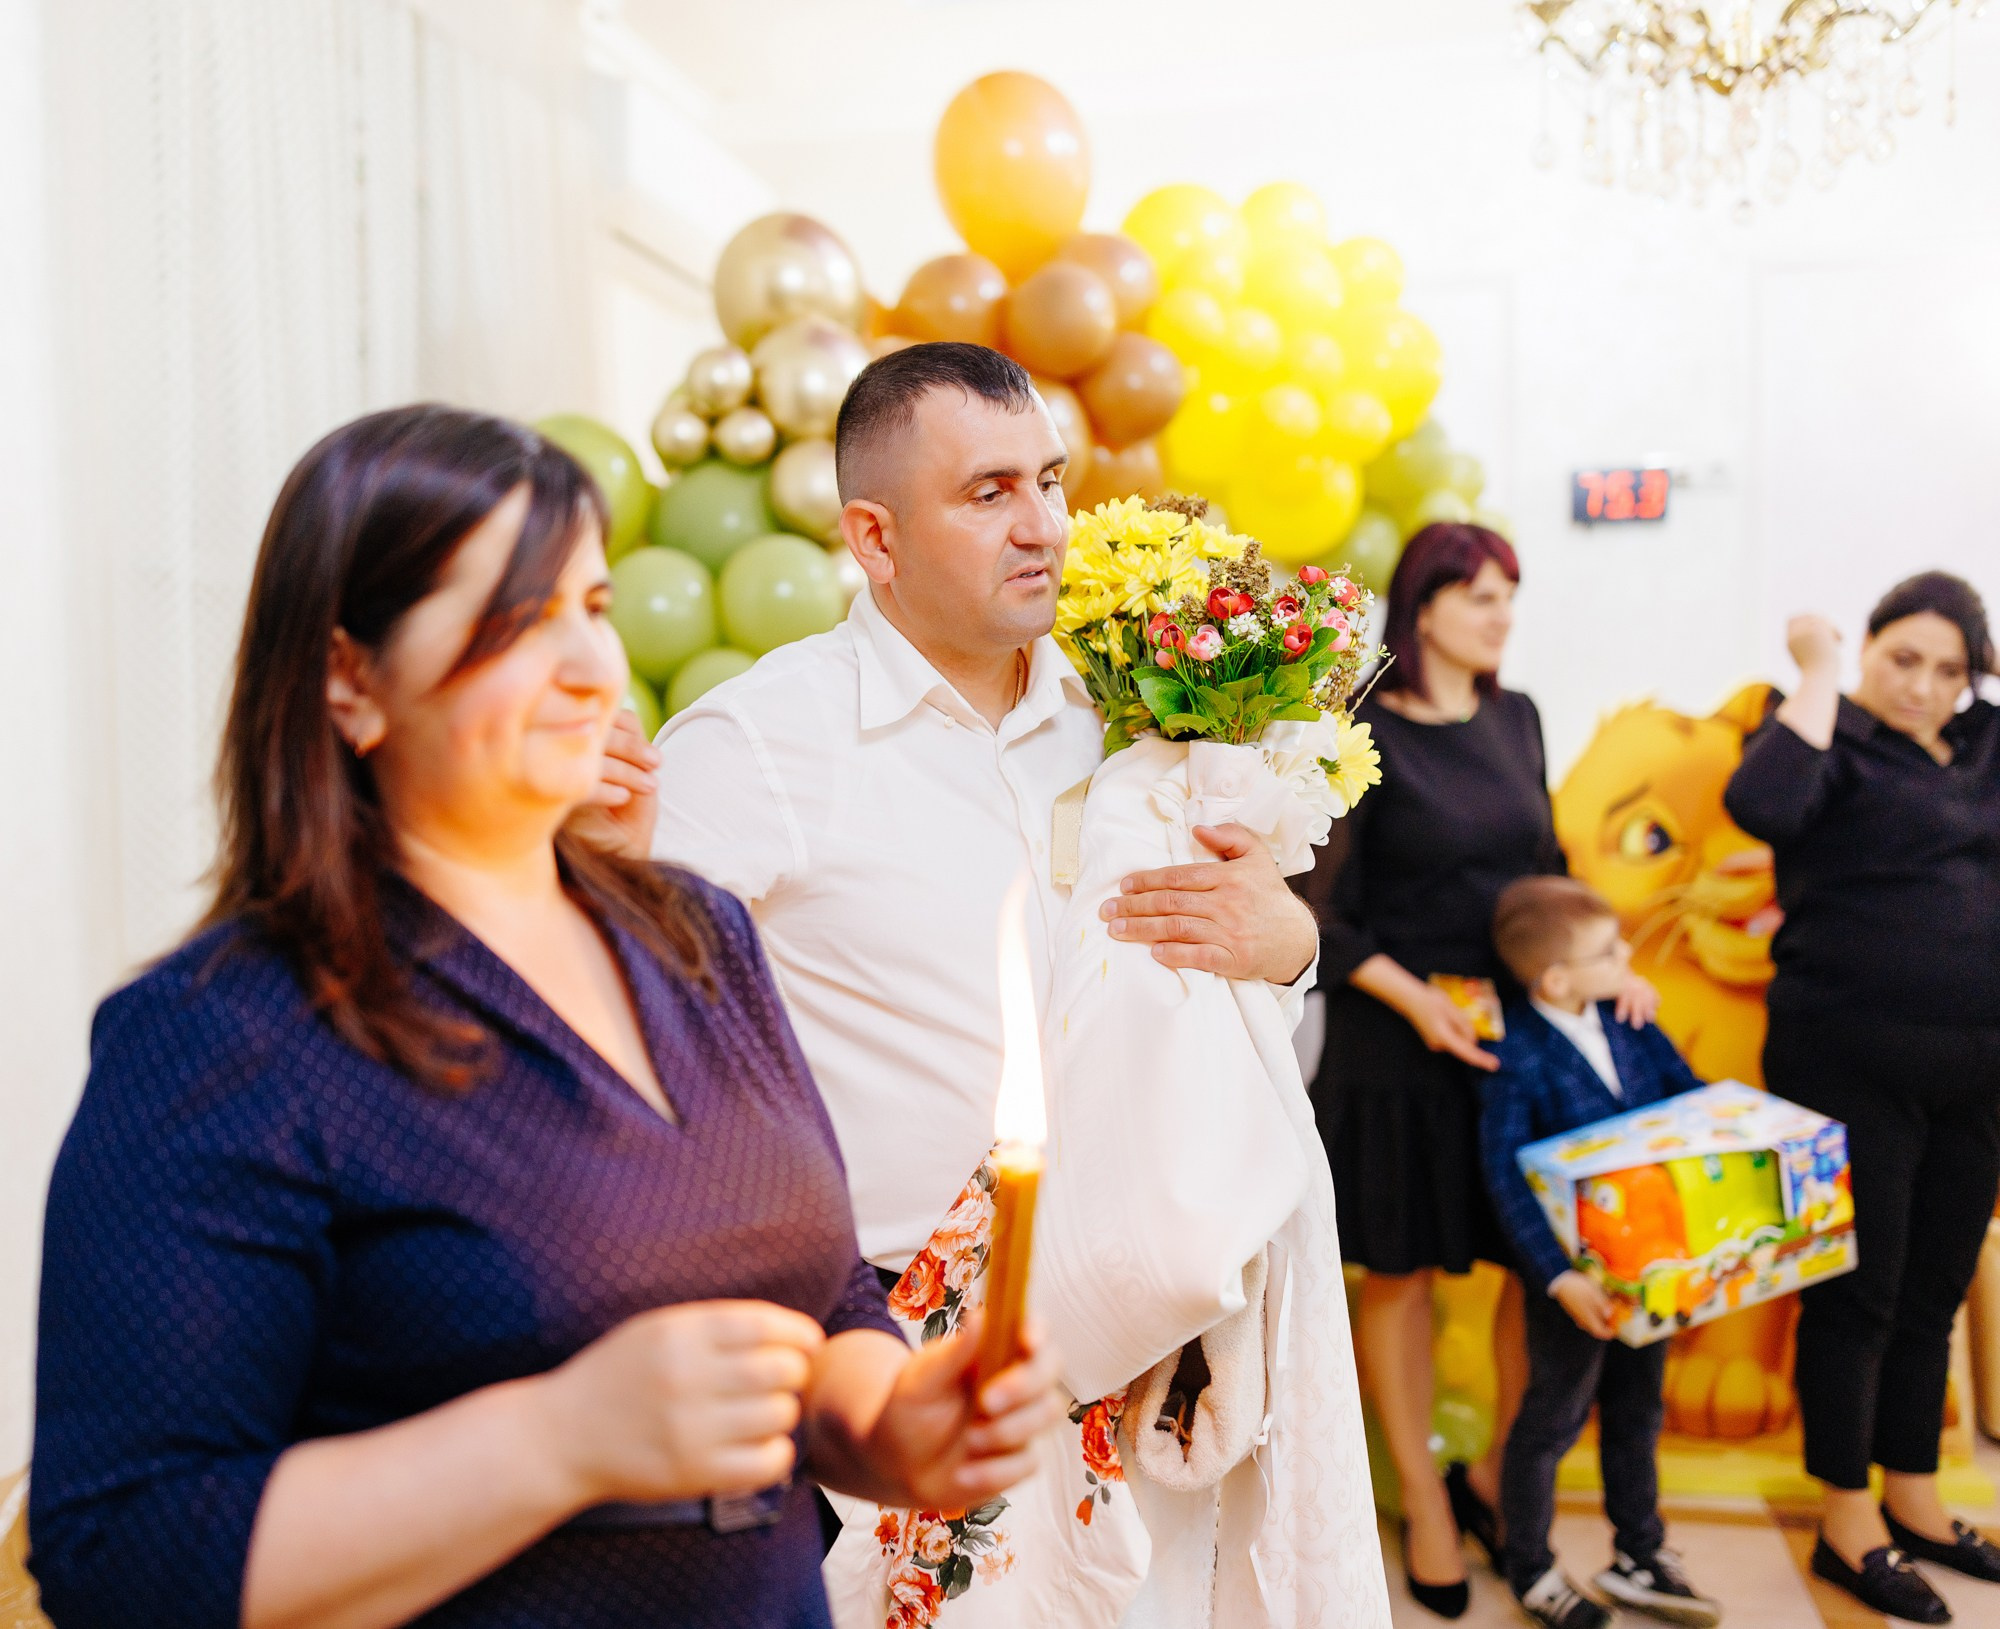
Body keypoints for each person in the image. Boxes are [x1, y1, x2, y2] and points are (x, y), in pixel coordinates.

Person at [28, 405, 1061, 1629]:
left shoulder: (695, 938)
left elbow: (822, 1296)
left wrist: (886, 1422)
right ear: (351, 679)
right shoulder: (224, 1036)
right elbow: (121, 1555)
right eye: (513, 623)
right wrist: (559, 1440)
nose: (587, 670)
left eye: (593, 607)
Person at [592, 342, 1390, 1628]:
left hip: (1153, 1362)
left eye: (1051, 482)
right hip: (918, 1362)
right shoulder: (764, 745)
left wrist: (1283, 942)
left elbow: (1214, 994)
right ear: (873, 534)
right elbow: (615, 1011)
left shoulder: (1132, 704)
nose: (1043, 528)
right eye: (987, 494)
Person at [1307, 523, 1656, 1616]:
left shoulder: (1518, 718)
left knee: (1527, 1270)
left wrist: (1605, 962)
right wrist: (1418, 1003)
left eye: (1509, 591)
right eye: (1477, 593)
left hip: (1510, 1044)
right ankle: (1420, 1495)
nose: (1501, 611)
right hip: (1394, 1042)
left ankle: (1513, 1485)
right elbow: (1321, 913)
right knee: (1399, 1275)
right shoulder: (1356, 728)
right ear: (1418, 611)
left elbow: (1544, 875)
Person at [1725, 571, 2000, 1625]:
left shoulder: (1984, 745)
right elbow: (1760, 804)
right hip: (1845, 1058)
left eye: (1947, 669)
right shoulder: (1813, 729)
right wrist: (1817, 666)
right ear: (1867, 646)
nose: (1923, 686)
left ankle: (1915, 1499)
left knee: (1932, 1288)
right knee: (1857, 1296)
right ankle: (1847, 1522)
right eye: (1901, 659)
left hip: (1974, 1068)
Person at [1479, 876, 1722, 1629]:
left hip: (1652, 1265)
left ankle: (1640, 1550)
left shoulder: (1629, 1018)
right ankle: (1532, 1565)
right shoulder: (1517, 1053)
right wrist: (1555, 1278)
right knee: (1550, 1419)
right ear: (1556, 977)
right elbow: (1506, 1175)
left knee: (1637, 1407)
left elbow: (1691, 1094)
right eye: (1609, 950)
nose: (1628, 957)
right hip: (1578, 1283)